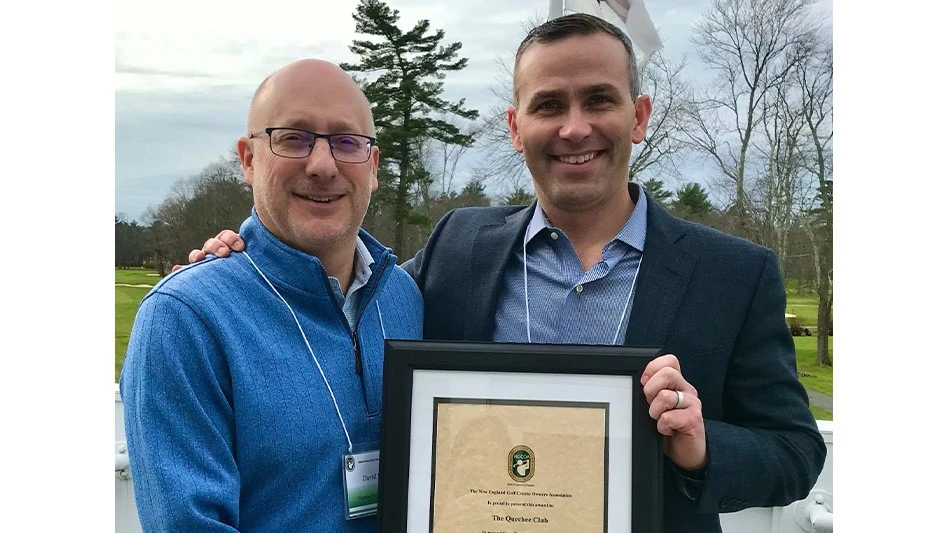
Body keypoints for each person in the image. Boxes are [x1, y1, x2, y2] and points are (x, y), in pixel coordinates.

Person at [189, 14, 826, 533]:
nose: (575, 127)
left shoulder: (733, 274)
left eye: (599, 99)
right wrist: (250, 255)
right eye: (549, 105)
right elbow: (348, 284)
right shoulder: (459, 244)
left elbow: (796, 453)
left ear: (638, 115)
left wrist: (698, 444)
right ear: (517, 128)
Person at [120, 59, 423, 532]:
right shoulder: (185, 321)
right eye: (293, 138)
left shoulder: (405, 298)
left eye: (347, 142)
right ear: (248, 159)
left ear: (374, 166)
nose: (323, 165)